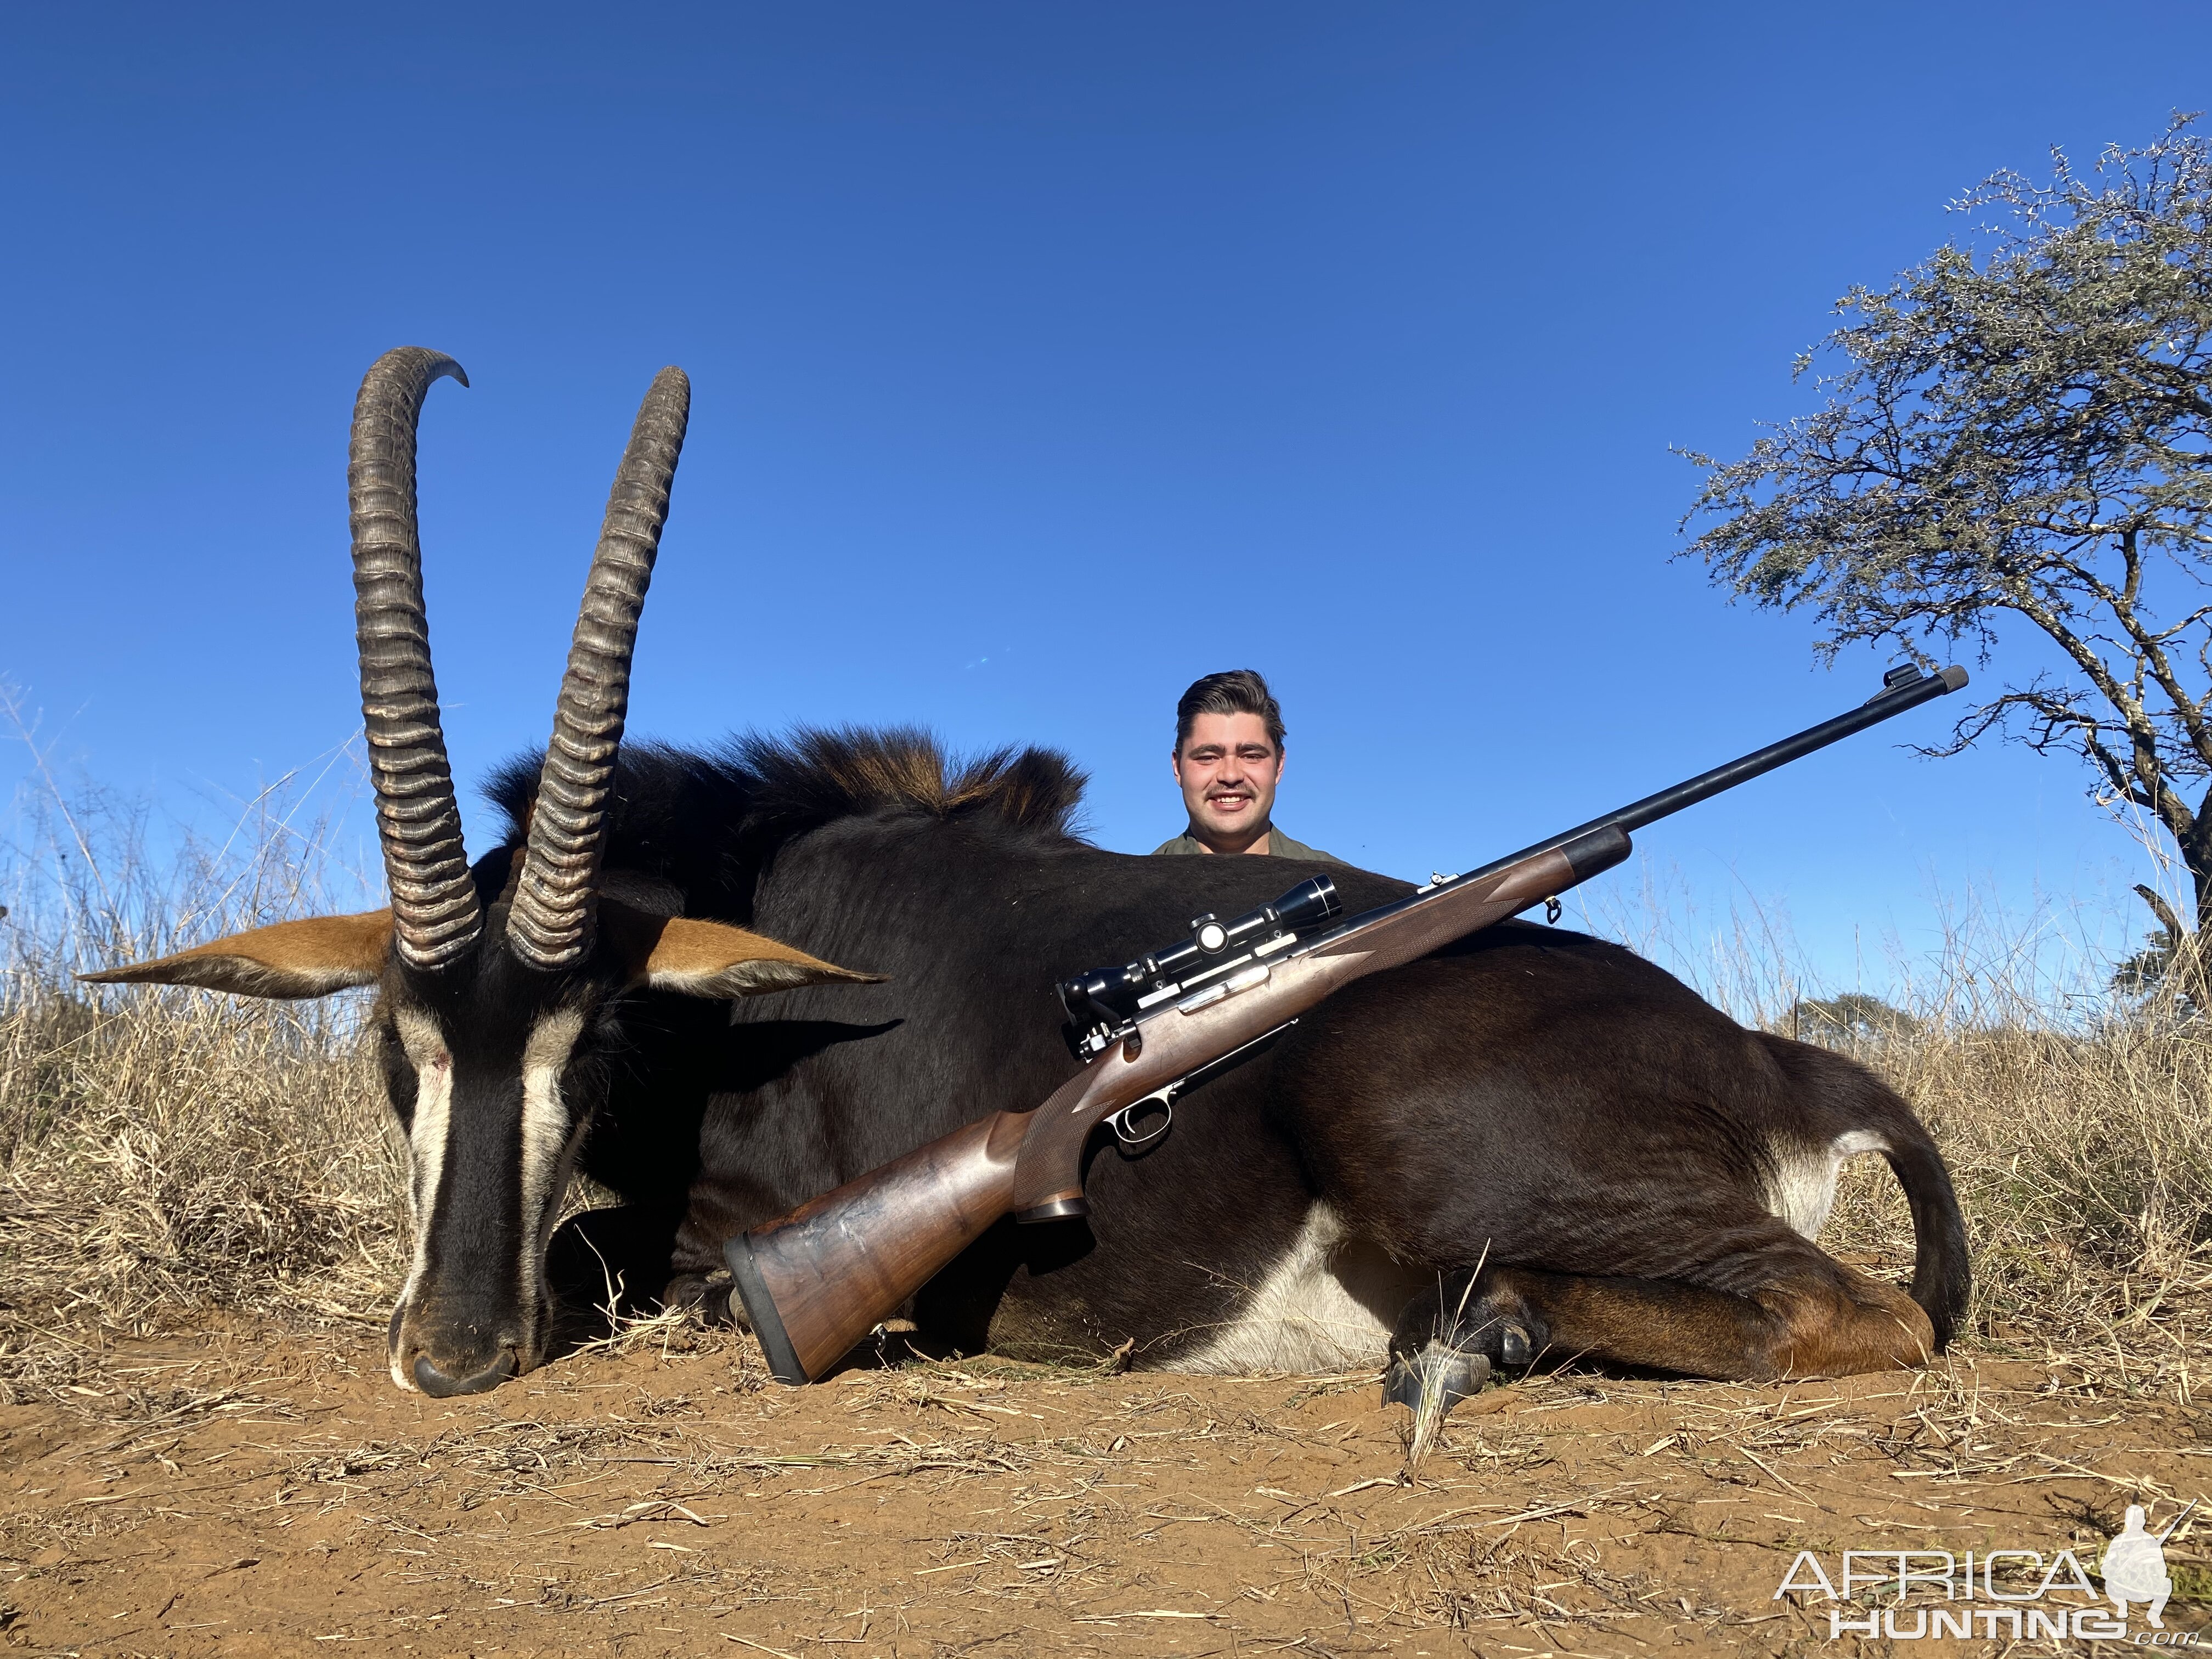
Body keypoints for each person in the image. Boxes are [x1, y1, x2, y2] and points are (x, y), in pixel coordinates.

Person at [1151, 669, 1344, 863]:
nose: (1231, 775)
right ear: (1177, 767)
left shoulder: (1340, 887)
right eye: (1208, 757)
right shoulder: (1134, 889)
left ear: (1279, 765)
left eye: (1251, 756)